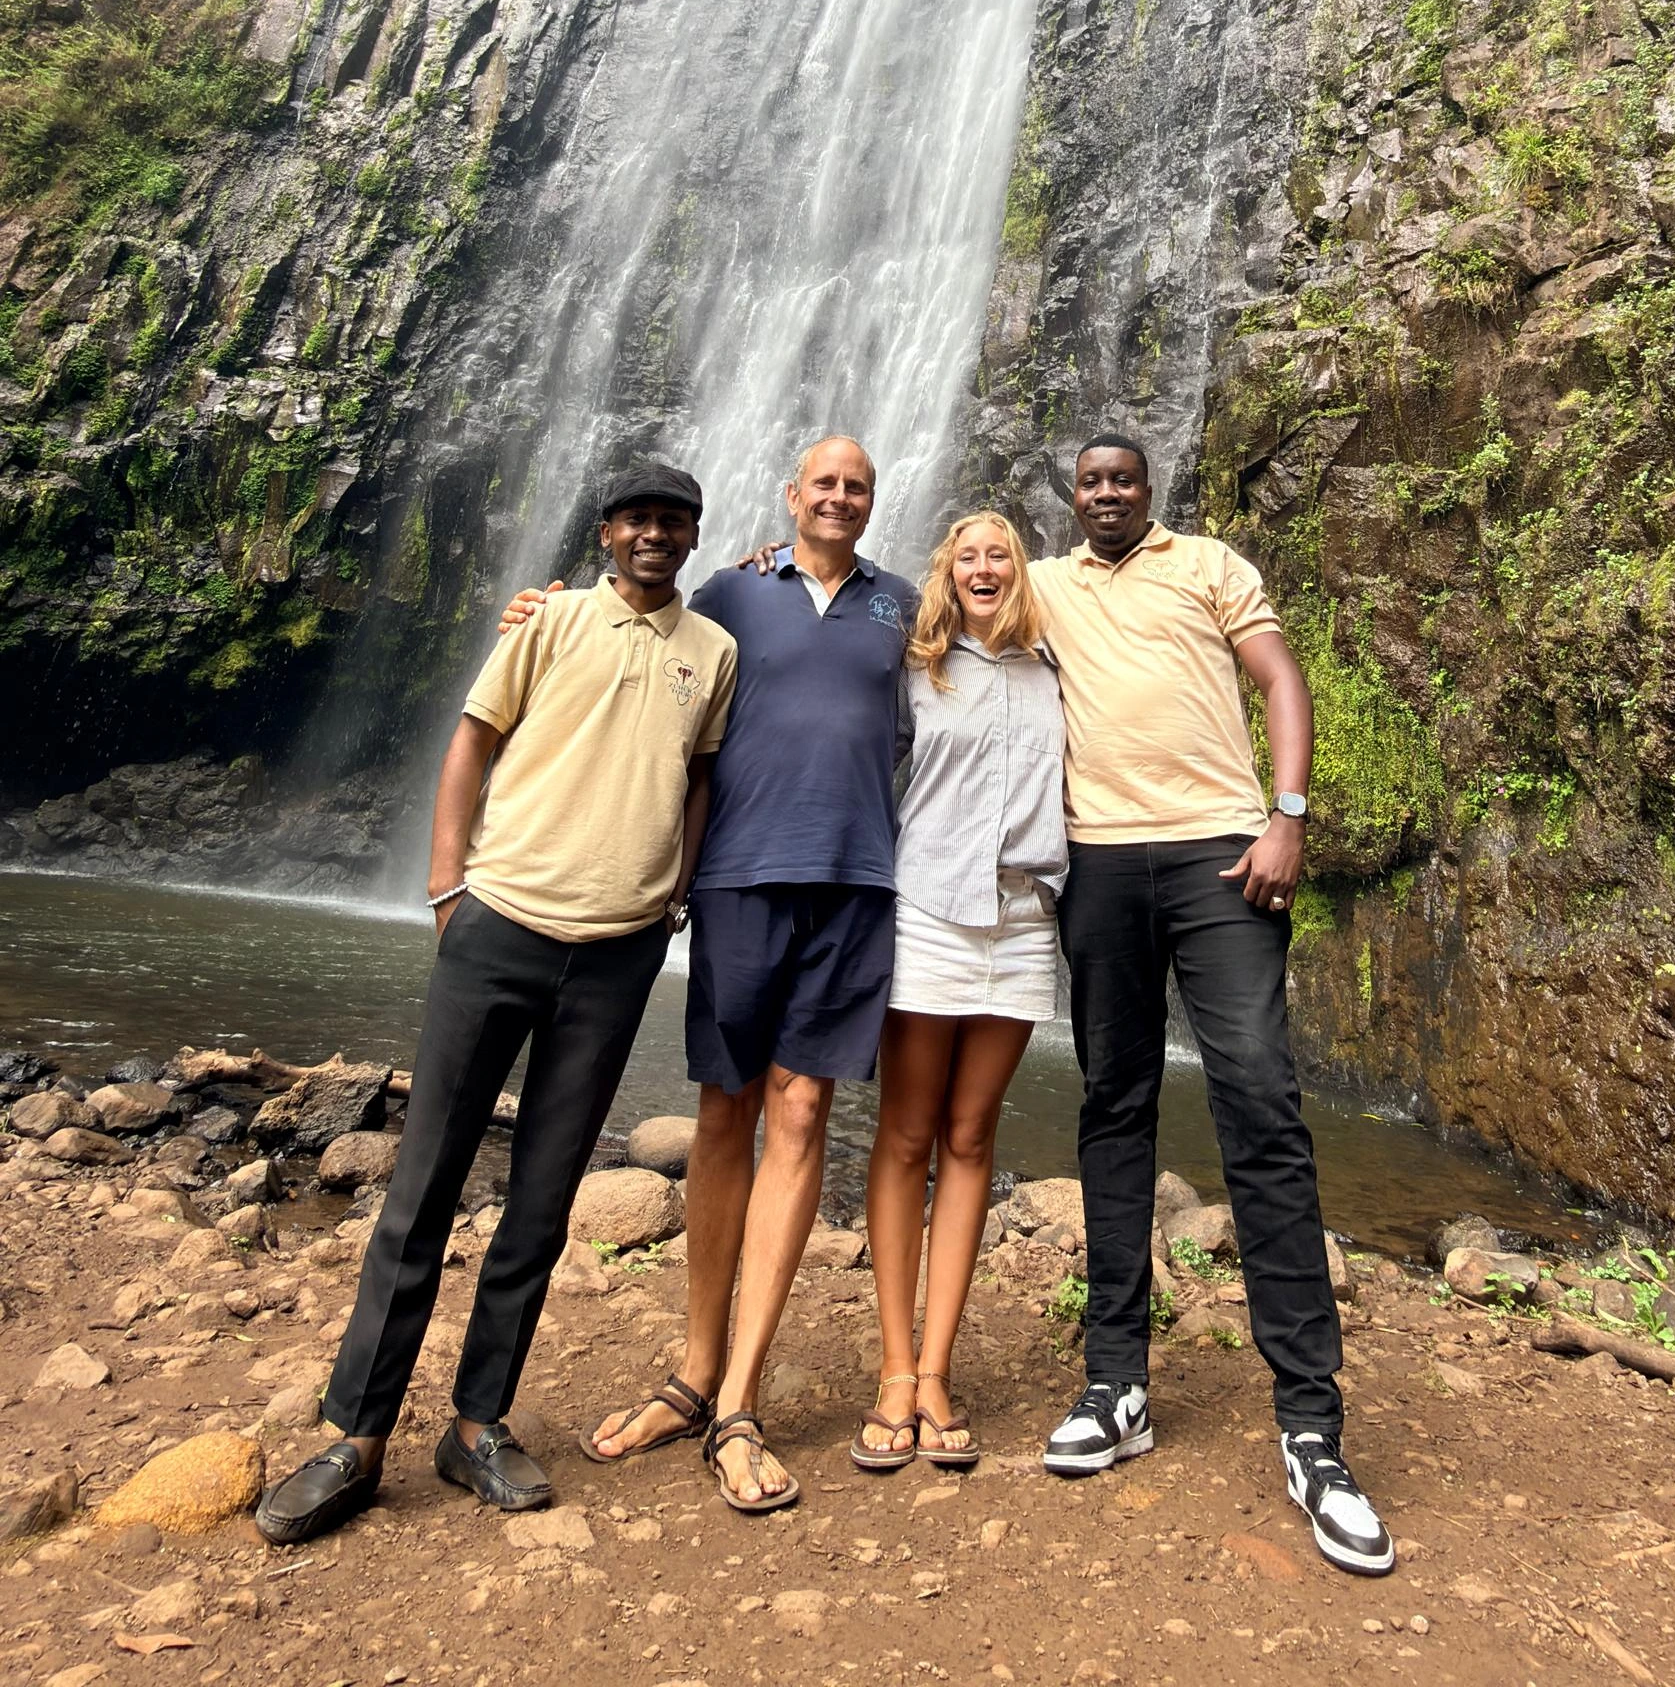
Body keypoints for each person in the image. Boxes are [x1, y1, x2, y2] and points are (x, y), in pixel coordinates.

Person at [254, 462, 735, 1547]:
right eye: (639, 518)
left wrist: (676, 890)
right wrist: (444, 886)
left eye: (675, 521)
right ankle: (356, 1438)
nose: (655, 534)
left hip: (618, 954)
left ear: (694, 538)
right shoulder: (549, 619)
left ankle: (476, 1425)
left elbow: (702, 777)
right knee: (420, 1188)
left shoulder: (715, 652)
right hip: (500, 927)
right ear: (610, 530)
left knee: (542, 1202)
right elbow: (473, 736)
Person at [505, 435, 917, 1516]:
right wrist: (538, 611)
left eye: (857, 486)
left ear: (874, 502)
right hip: (736, 878)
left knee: (804, 1107)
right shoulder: (731, 588)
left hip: (857, 883)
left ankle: (739, 1397)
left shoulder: (904, 605)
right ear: (792, 497)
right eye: (823, 482)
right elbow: (644, 628)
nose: (840, 496)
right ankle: (693, 1369)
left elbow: (982, 666)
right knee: (723, 1110)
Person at [1030, 434, 1394, 1580]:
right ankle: (1116, 1382)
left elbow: (1281, 676)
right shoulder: (1044, 584)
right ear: (1071, 499)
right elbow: (938, 604)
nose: (1105, 495)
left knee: (1260, 1104)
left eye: (1122, 481)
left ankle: (1313, 1430)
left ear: (1149, 491)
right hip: (1097, 861)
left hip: (1223, 858)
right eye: (1089, 483)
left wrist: (1286, 814)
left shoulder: (1209, 564)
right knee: (1112, 1107)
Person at [851, 512, 1066, 1474]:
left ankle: (938, 1369)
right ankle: (896, 1369)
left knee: (971, 1137)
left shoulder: (1059, 663)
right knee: (905, 1134)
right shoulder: (914, 667)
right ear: (946, 572)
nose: (984, 568)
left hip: (1024, 922)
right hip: (929, 910)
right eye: (967, 556)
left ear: (1022, 572)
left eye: (1000, 555)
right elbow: (853, 753)